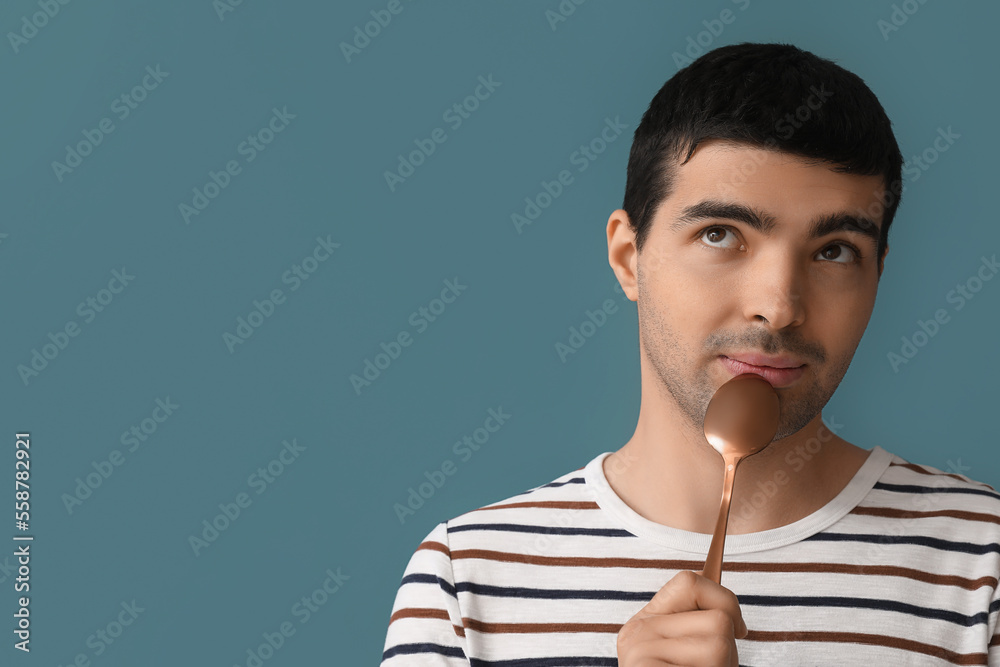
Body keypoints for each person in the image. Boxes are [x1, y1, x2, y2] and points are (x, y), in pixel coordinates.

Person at [380, 42, 1000, 666]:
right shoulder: (468, 579)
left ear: (877, 275)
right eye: (721, 235)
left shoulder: (983, 562)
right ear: (630, 258)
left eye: (834, 250)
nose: (779, 306)